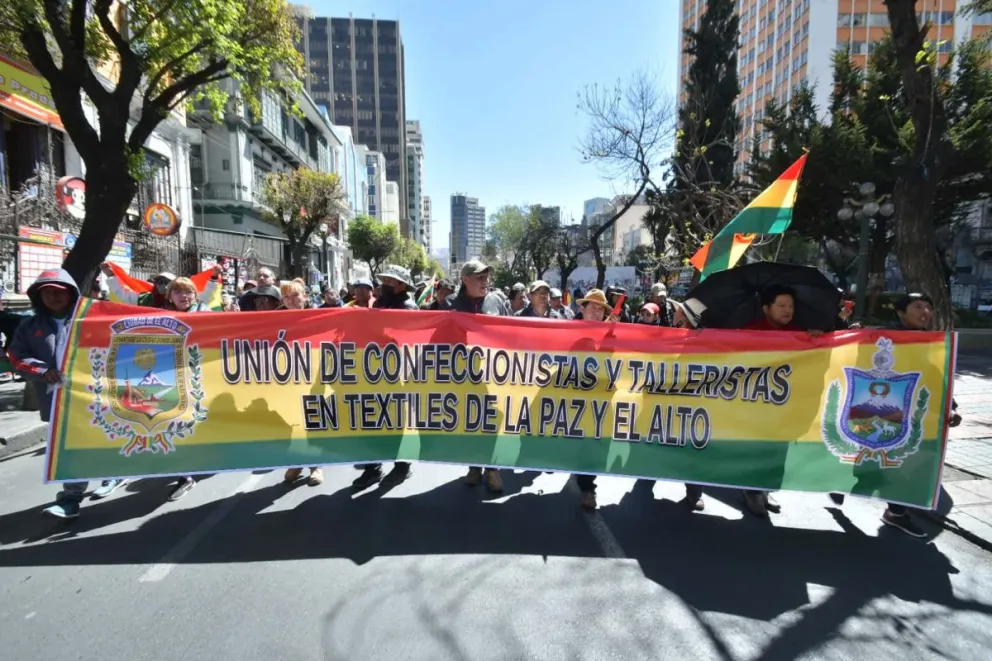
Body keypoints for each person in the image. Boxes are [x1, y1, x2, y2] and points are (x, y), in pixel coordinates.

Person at [835, 292, 961, 538]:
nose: (925, 311)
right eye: (917, 306)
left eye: (928, 306)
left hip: (912, 413)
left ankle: (896, 513)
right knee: (867, 462)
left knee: (904, 464)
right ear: (901, 313)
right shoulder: (882, 337)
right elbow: (853, 358)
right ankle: (840, 481)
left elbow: (939, 377)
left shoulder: (934, 343)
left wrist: (952, 406)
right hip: (875, 410)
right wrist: (854, 333)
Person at [7, 269, 88, 518]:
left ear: (71, 293)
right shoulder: (29, 326)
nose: (53, 296)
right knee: (72, 450)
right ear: (38, 297)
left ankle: (110, 476)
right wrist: (43, 371)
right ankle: (71, 499)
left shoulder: (91, 319)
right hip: (57, 400)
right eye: (47, 292)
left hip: (95, 398)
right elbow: (16, 357)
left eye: (59, 291)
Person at [739, 284, 824, 517]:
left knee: (778, 452)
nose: (787, 311)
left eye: (791, 306)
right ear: (766, 308)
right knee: (756, 451)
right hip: (755, 405)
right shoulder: (750, 331)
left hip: (786, 406)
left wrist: (816, 340)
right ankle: (751, 492)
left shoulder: (800, 334)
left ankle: (765, 490)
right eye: (782, 305)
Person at [352, 265, 420, 490]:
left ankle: (402, 466)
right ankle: (373, 468)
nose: (384, 285)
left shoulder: (409, 308)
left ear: (401, 284)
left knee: (397, 424)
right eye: (384, 281)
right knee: (373, 421)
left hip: (399, 375)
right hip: (376, 372)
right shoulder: (381, 304)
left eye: (390, 281)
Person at [159, 272, 222, 501]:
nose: (183, 295)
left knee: (201, 422)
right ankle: (185, 476)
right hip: (173, 379)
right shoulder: (162, 317)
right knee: (177, 423)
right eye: (178, 291)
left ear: (195, 295)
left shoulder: (207, 314)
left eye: (188, 291)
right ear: (170, 296)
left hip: (202, 376)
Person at [449, 260, 510, 492]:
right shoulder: (451, 307)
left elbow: (510, 331)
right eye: (479, 277)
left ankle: (492, 469)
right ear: (465, 280)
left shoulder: (497, 301)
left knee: (493, 422)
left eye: (486, 277)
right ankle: (474, 466)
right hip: (465, 377)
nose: (485, 281)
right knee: (471, 423)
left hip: (494, 374)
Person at [571, 289, 616, 509]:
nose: (597, 312)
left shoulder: (612, 332)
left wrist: (614, 334)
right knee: (579, 444)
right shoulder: (567, 330)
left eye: (601, 309)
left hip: (600, 400)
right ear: (582, 308)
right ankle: (584, 483)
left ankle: (587, 484)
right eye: (593, 307)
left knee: (595, 445)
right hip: (573, 398)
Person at [279, 280, 324, 487]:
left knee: (313, 419)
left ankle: (316, 465)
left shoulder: (318, 315)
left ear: (305, 296)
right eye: (286, 297)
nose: (291, 300)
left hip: (315, 376)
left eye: (295, 295)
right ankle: (297, 462)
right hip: (288, 378)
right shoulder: (274, 319)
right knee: (292, 422)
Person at [101, 263, 174, 308]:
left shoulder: (179, 299)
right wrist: (111, 275)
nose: (163, 284)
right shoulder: (146, 299)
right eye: (159, 281)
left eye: (167, 281)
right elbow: (124, 296)